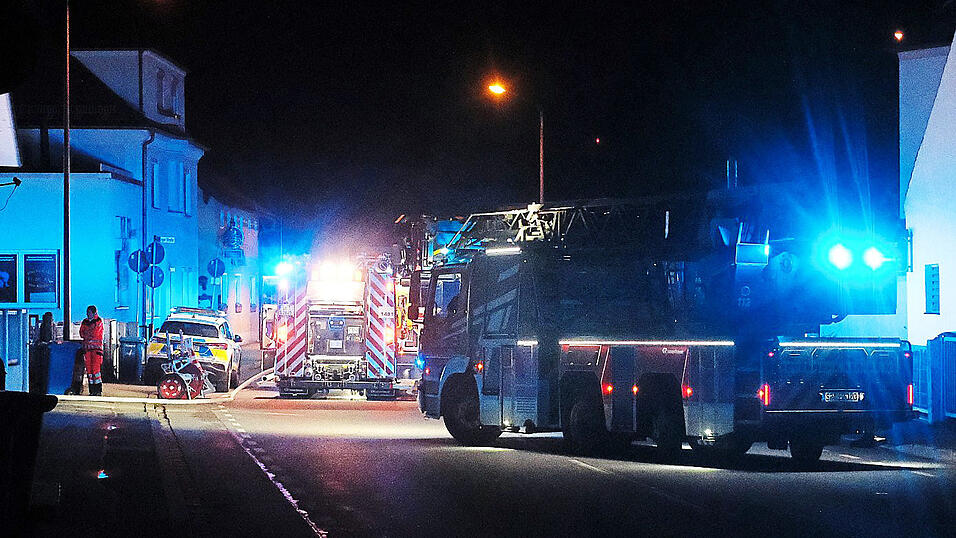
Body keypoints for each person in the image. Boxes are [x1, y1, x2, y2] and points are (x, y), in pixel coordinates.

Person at [79, 305, 104, 396]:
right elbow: (81, 333)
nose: (87, 314)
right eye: (87, 312)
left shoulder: (98, 321)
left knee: (95, 370)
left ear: (94, 313)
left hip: (96, 350)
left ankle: (98, 390)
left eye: (89, 312)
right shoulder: (85, 322)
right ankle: (92, 390)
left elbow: (95, 333)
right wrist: (88, 335)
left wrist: (87, 335)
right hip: (87, 350)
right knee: (89, 371)